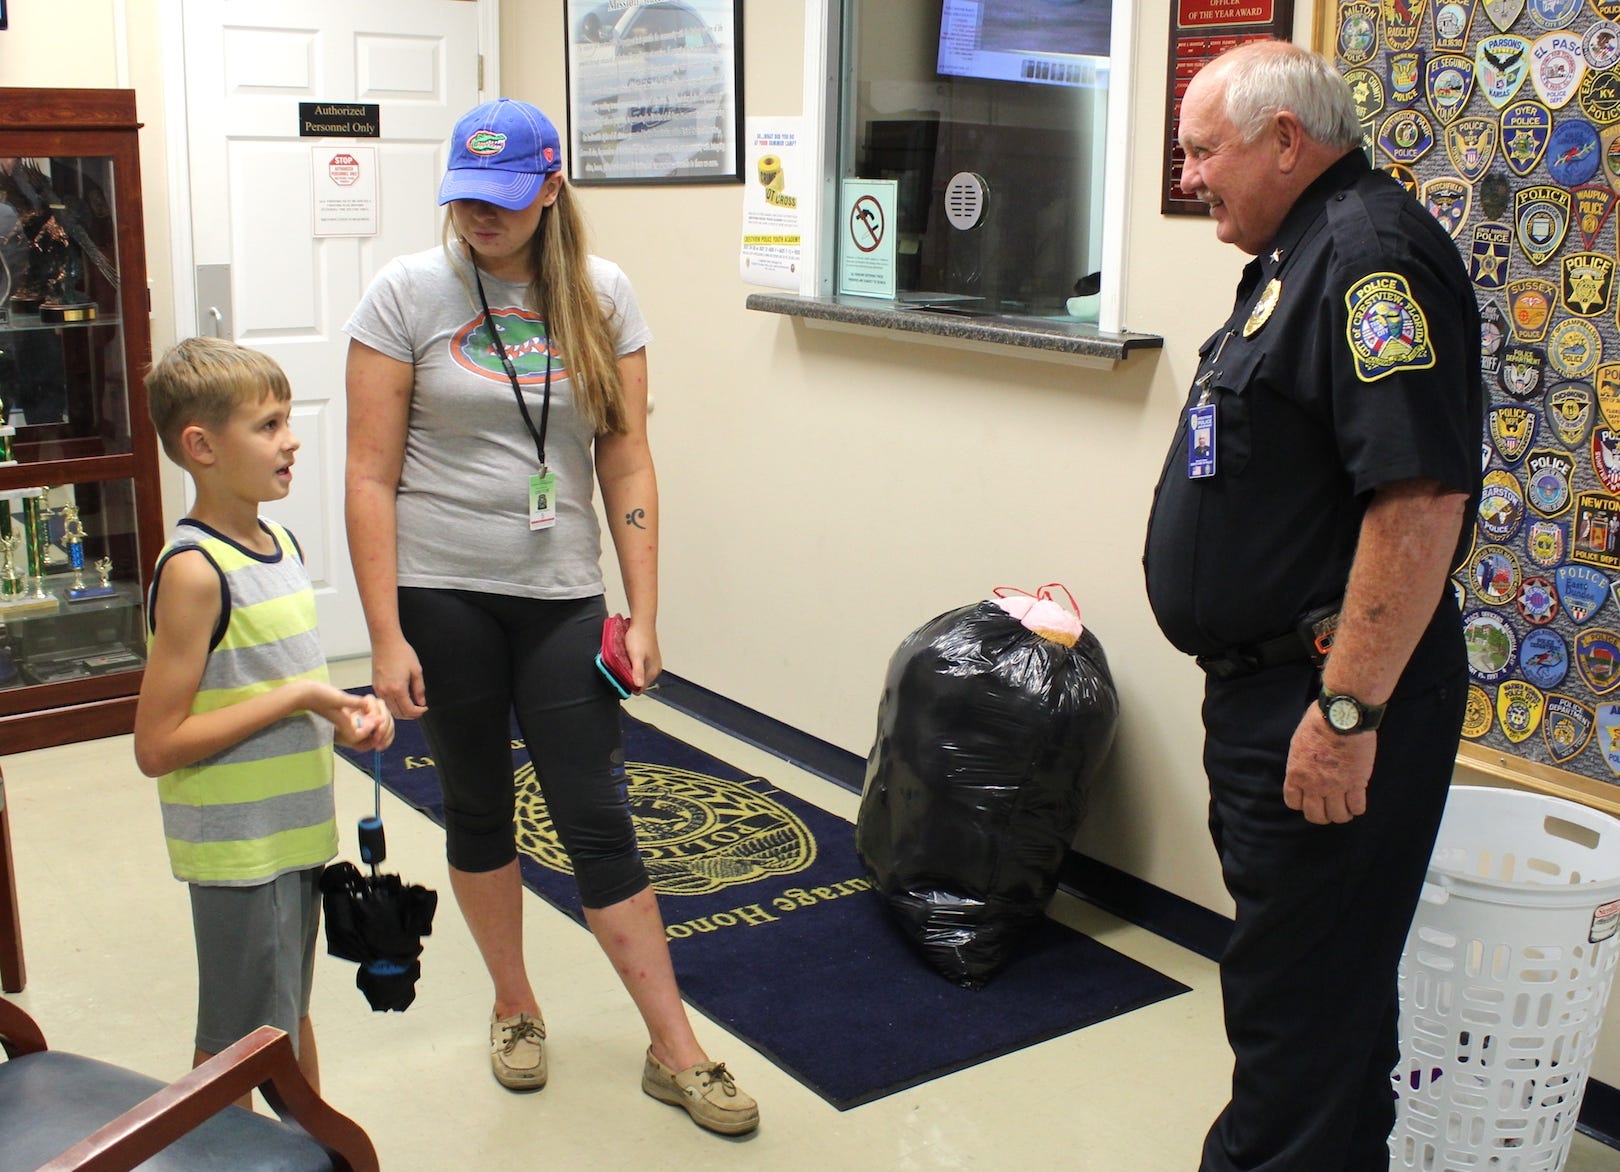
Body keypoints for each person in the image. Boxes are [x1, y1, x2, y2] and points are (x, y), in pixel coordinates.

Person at [342, 97, 759, 1136]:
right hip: (443, 590)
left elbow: (625, 455)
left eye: (502, 198)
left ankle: (677, 1046)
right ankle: (515, 1005)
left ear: (550, 186)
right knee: (480, 807)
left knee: (597, 813)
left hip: (563, 592)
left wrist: (644, 607)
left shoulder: (603, 296)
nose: (480, 216)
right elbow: (366, 472)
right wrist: (386, 632)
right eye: (464, 199)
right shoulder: (406, 292)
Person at [1143, 42, 1481, 1171]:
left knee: (1298, 1036)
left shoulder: (1368, 257)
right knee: (1314, 1017)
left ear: (1286, 139)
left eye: (1203, 150)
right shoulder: (1302, 250)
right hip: (1275, 696)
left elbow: (1421, 497)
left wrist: (1344, 718)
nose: (1189, 176)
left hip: (1328, 709)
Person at [134, 336, 395, 1100]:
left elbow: (276, 681)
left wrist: (344, 716)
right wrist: (303, 698)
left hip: (293, 830)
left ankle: (313, 1150)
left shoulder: (277, 544)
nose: (293, 439)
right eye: (270, 425)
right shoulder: (193, 571)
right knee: (234, 1048)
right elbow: (158, 745)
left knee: (283, 1018)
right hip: (239, 848)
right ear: (201, 446)